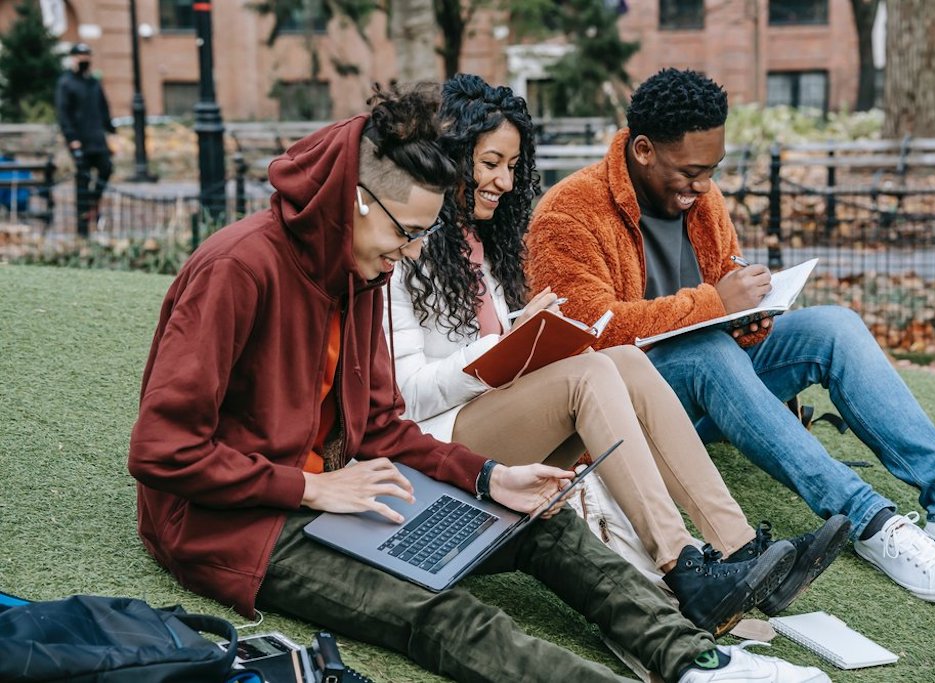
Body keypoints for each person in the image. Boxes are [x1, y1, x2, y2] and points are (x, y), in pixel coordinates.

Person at [127, 82, 828, 683]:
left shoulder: (360, 268)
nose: (406, 255)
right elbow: (161, 449)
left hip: (351, 486)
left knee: (540, 523)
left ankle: (697, 662)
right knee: (434, 609)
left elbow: (381, 427)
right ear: (359, 201)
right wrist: (312, 487)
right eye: (403, 234)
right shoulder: (236, 270)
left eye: (419, 239)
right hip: (244, 525)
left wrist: (490, 477)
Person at [526, 68, 935, 604]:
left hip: (715, 374)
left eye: (712, 170)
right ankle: (871, 521)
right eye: (691, 172)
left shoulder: (702, 196)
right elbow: (583, 336)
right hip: (633, 404)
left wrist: (750, 313)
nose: (702, 187)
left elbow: (724, 280)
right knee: (703, 350)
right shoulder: (568, 212)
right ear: (644, 150)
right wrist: (716, 305)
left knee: (834, 326)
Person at [386, 73, 849, 637]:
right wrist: (507, 345)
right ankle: (683, 567)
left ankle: (737, 549)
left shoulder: (487, 243)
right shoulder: (399, 246)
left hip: (495, 412)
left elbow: (497, 344)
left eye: (511, 166)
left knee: (623, 361)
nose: (504, 182)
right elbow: (405, 395)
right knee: (589, 372)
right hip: (437, 442)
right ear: (450, 156)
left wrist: (526, 337)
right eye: (489, 164)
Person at [55, 42, 114, 237]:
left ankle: (91, 204)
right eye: (80, 56)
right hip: (79, 141)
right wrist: (72, 138)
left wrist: (112, 132)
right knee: (82, 181)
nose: (84, 59)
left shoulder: (94, 83)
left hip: (98, 139)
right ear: (73, 58)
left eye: (87, 55)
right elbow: (64, 114)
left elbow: (104, 109)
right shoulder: (66, 83)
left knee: (106, 168)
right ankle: (82, 230)